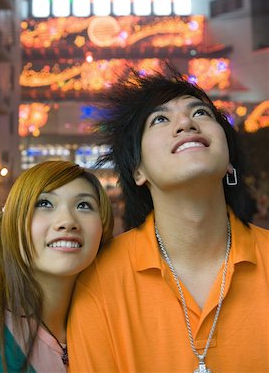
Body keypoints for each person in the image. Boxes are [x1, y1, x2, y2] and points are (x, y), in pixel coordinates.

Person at [67, 67, 269, 373]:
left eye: (201, 113)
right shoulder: (98, 281)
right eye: (160, 119)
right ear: (138, 171)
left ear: (228, 161)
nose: (186, 123)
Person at [0, 160, 113, 372]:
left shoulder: (112, 331)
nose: (67, 221)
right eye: (44, 203)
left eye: (84, 205)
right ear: (11, 223)